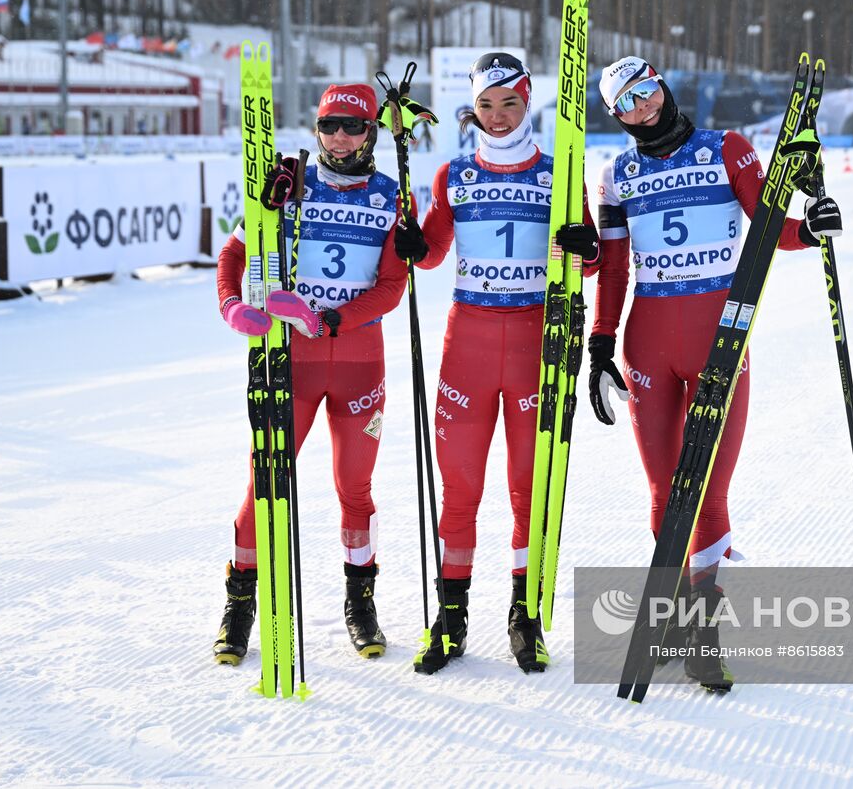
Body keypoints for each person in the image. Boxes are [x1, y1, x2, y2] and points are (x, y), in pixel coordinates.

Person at [585, 56, 841, 693]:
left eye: (646, 92)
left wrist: (809, 229)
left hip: (719, 337)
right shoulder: (616, 175)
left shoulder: (725, 148)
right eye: (625, 105)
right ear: (615, 116)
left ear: (662, 88)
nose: (641, 108)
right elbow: (612, 269)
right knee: (663, 487)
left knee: (709, 489)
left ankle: (703, 630)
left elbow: (767, 228)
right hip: (647, 344)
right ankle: (672, 618)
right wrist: (600, 343)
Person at [393, 52, 601, 675]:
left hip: (536, 340)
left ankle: (524, 616)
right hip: (470, 343)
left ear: (529, 100)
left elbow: (588, 262)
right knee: (459, 488)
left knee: (527, 491)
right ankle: (450, 617)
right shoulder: (453, 174)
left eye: (510, 104)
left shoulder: (559, 174)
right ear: (473, 108)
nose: (499, 117)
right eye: (487, 105)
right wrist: (411, 242)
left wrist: (585, 248)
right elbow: (428, 256)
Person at [212, 83, 408, 665]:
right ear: (316, 128)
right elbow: (232, 257)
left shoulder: (391, 196)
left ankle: (360, 600)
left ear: (371, 131)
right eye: (330, 126)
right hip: (288, 364)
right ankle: (240, 603)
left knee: (355, 489)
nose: (341, 137)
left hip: (356, 364)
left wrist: (329, 320)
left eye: (353, 126)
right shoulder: (286, 183)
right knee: (264, 487)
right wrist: (232, 306)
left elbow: (393, 286)